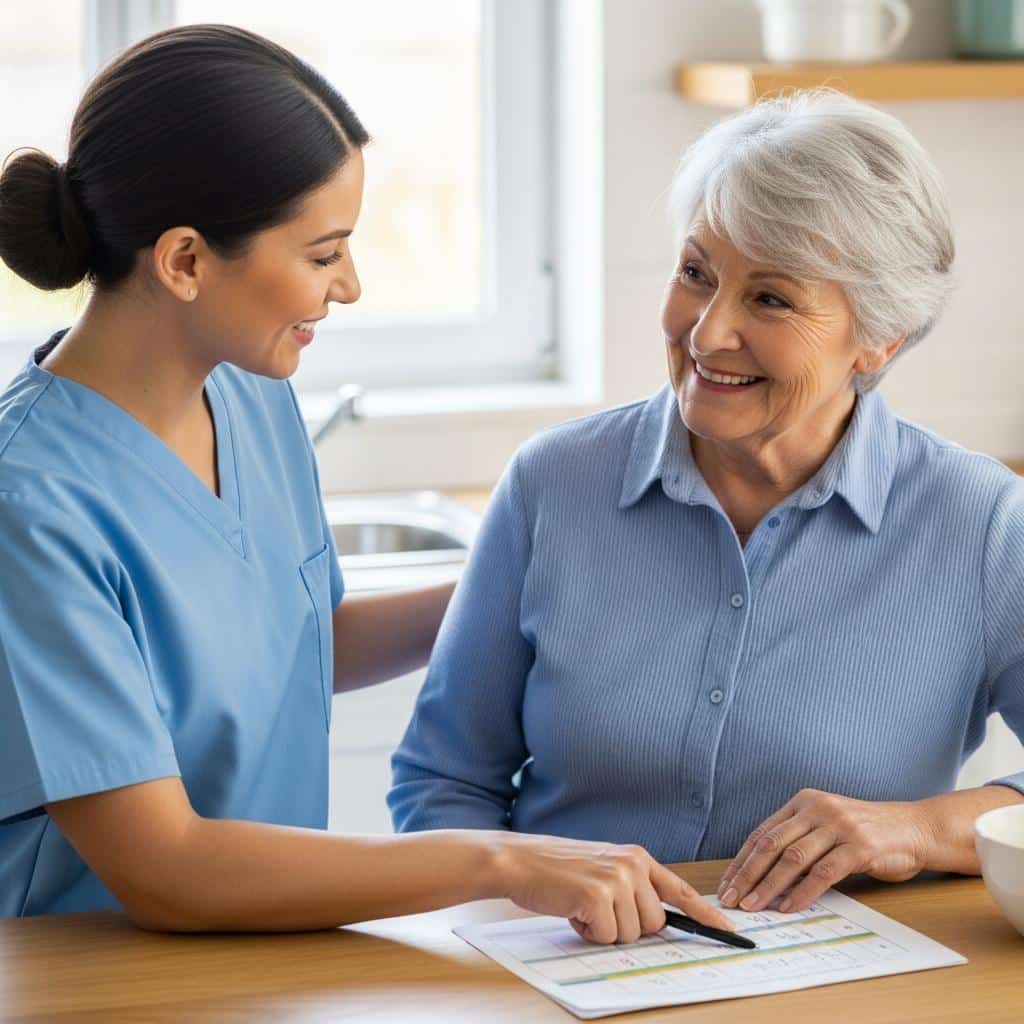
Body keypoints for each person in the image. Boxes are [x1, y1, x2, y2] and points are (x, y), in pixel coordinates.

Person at [0, 24, 733, 945]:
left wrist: (529, 588)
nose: (349, 285)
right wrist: (505, 859)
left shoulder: (248, 396)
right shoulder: (29, 505)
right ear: (185, 260)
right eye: (321, 253)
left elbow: (301, 645)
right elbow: (167, 870)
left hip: (264, 958)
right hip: (97, 977)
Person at [389, 88, 1024, 916]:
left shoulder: (981, 524)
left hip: (848, 990)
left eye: (770, 298)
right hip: (559, 973)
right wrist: (502, 915)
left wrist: (918, 828)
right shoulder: (553, 484)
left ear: (878, 338)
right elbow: (443, 781)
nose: (706, 331)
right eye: (696, 274)